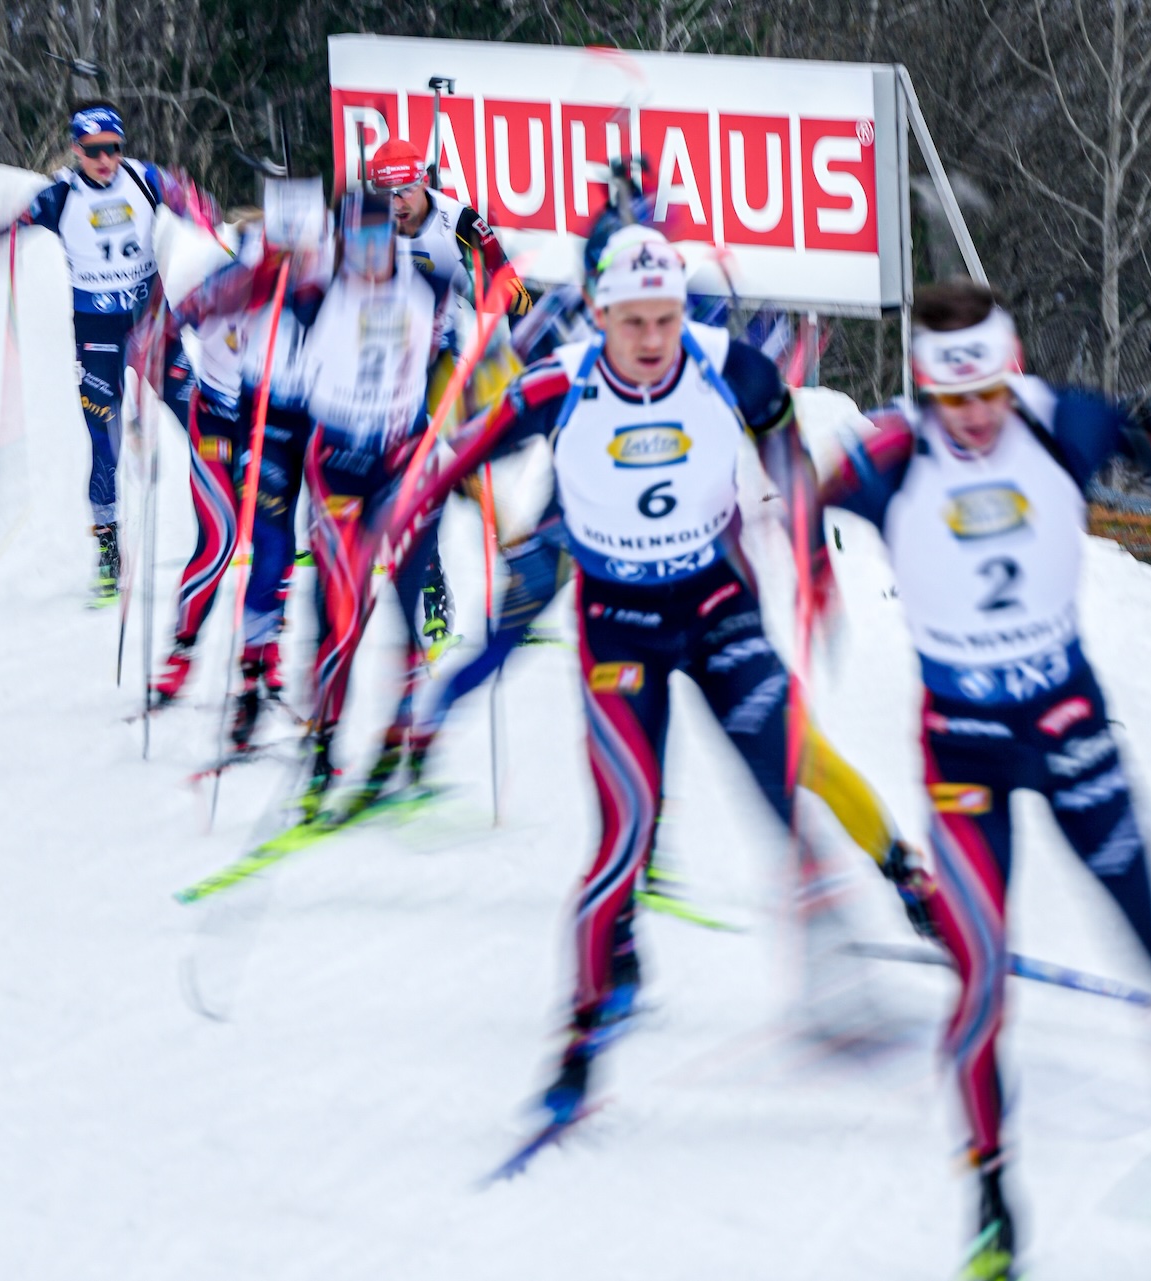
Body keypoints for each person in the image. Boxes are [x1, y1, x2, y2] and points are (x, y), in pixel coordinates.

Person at [377, 226, 924, 1127]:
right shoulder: (564, 383)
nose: (651, 338)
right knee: (623, 832)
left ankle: (846, 979)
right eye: (632, 320)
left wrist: (813, 557)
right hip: (619, 623)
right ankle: (583, 1030)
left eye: (665, 317)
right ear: (599, 316)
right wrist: (405, 510)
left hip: (717, 612)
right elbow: (458, 453)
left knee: (784, 778)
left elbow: (786, 454)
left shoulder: (731, 367)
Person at [817, 278, 1151, 1280]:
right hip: (962, 750)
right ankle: (991, 1196)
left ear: (1011, 374)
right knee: (977, 982)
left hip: (1067, 729)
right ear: (923, 391)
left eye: (990, 394)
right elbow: (781, 495)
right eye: (952, 399)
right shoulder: (889, 454)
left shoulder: (1063, 422)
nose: (974, 417)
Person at [0, 100, 213, 600]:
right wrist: (3, 230)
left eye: (112, 148)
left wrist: (198, 210)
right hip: (98, 338)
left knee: (202, 421)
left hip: (153, 326)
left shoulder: (144, 179)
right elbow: (19, 218)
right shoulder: (60, 195)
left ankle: (242, 523)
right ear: (77, 150)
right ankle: (109, 554)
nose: (105, 160)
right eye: (94, 151)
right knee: (104, 445)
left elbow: (192, 203)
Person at [292, 186, 457, 817]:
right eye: (353, 240)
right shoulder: (318, 287)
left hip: (403, 462)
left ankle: (406, 736)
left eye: (376, 238)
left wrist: (489, 252)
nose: (366, 252)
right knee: (337, 616)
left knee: (411, 601)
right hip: (336, 466)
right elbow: (247, 287)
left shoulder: (428, 275)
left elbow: (502, 288)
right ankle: (322, 749)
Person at [147, 204, 328, 748]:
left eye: (302, 255)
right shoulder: (231, 280)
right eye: (281, 254)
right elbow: (165, 331)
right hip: (217, 422)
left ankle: (262, 658)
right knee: (221, 539)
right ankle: (182, 649)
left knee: (273, 543)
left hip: (265, 424)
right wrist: (169, 381)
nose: (293, 265)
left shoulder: (313, 288)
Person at [365, 138, 533, 652]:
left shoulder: (458, 221)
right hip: (389, 364)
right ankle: (434, 592)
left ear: (425, 183)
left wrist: (491, 318)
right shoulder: (364, 223)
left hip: (449, 360)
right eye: (385, 192)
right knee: (405, 479)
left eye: (405, 191)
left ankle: (524, 580)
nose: (396, 204)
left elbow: (516, 293)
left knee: (473, 468)